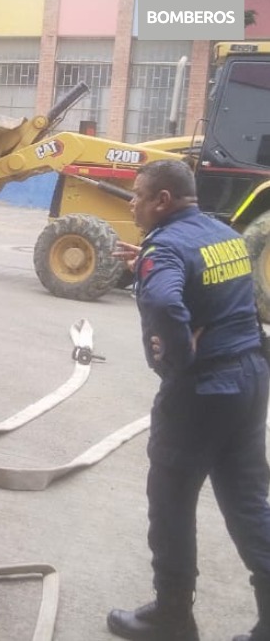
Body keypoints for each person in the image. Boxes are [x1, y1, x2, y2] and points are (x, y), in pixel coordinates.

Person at [107, 159, 270, 641]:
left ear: (163, 200)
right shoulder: (219, 232)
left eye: (138, 195)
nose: (131, 203)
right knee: (248, 503)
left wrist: (174, 359)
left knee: (171, 502)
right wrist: (151, 262)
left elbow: (163, 302)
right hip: (250, 379)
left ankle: (171, 616)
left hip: (201, 393)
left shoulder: (167, 247)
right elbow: (208, 283)